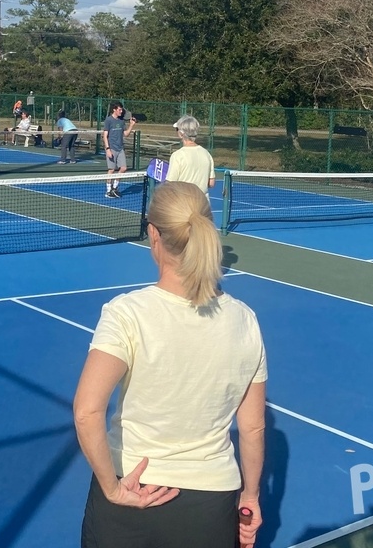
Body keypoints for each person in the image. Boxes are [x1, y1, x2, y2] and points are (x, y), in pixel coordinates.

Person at [73, 181, 266, 548]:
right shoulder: (245, 320)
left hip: (131, 491)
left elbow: (86, 412)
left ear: (153, 234)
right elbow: (253, 427)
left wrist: (112, 489)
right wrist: (251, 496)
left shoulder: (127, 313)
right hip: (211, 502)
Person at [166, 115, 215, 193]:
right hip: (203, 202)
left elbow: (170, 185)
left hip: (184, 202)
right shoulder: (206, 154)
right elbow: (211, 183)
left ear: (181, 133)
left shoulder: (177, 156)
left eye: (177, 129)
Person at [101, 101, 136, 198]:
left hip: (120, 148)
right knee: (111, 170)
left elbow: (126, 134)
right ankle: (108, 191)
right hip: (111, 148)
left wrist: (131, 125)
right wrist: (107, 149)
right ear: (114, 110)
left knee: (123, 168)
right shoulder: (108, 120)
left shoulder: (121, 121)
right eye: (119, 109)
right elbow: (105, 135)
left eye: (121, 109)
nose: (121, 111)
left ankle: (115, 188)